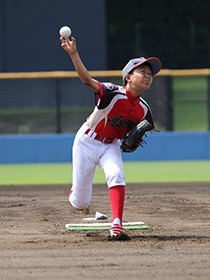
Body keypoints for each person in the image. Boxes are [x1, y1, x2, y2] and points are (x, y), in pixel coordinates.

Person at [60, 35, 161, 240]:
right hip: (87, 141)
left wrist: (134, 140)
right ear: (128, 77)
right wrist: (74, 54)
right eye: (143, 71)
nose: (148, 76)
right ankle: (77, 198)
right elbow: (87, 80)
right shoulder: (112, 93)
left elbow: (142, 129)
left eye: (150, 73)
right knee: (80, 202)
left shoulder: (144, 110)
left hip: (110, 145)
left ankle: (116, 225)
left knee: (116, 174)